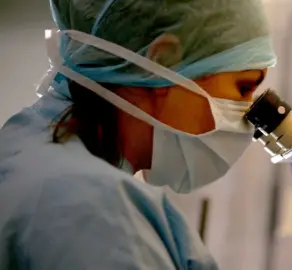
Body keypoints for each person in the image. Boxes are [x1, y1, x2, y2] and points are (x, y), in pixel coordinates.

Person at [0, 0, 276, 269]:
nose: (248, 113)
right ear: (163, 60)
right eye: (243, 87)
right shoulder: (90, 208)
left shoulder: (26, 145)